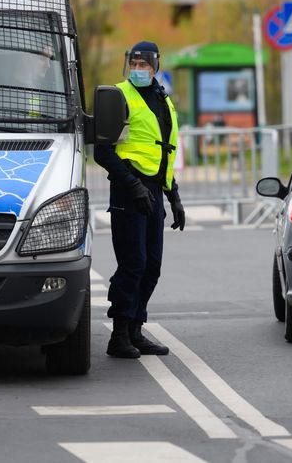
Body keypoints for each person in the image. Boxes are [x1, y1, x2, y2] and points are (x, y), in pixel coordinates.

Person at [94, 41, 186, 359]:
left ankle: (136, 328)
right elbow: (103, 151)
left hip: (154, 192)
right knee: (133, 265)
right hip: (127, 189)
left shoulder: (162, 99)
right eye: (134, 64)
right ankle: (119, 335)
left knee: (152, 267)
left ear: (156, 65)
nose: (138, 70)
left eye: (144, 65)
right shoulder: (118, 96)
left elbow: (164, 152)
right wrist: (133, 186)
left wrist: (174, 196)